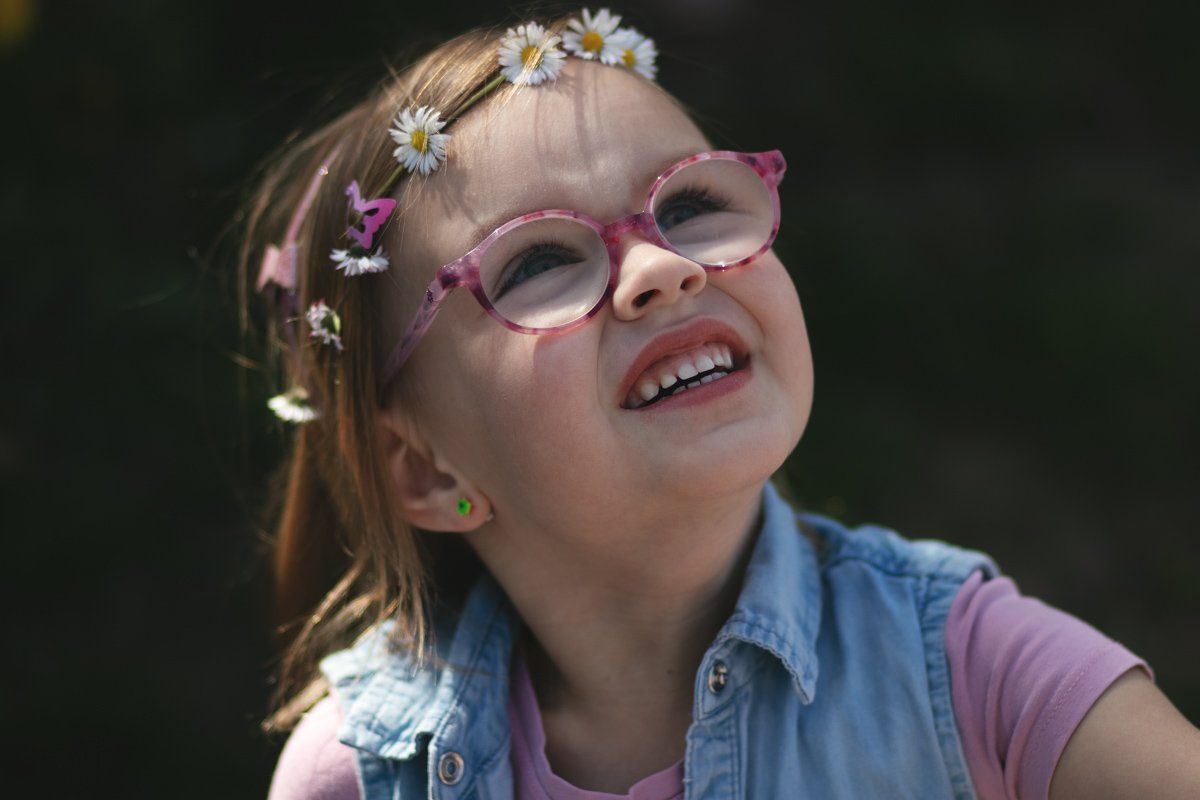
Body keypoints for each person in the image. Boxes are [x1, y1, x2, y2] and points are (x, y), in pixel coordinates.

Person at [240, 8, 1200, 799]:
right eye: (536, 262)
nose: (663, 267)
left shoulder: (973, 669)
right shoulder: (362, 773)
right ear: (426, 466)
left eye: (692, 205)